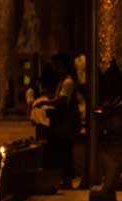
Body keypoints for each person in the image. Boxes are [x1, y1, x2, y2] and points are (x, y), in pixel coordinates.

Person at [45, 53, 79, 189]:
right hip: (61, 123)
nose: (56, 69)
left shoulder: (68, 82)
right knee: (61, 150)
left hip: (65, 124)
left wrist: (46, 103)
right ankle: (63, 179)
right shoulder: (61, 81)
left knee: (64, 151)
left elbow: (62, 100)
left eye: (57, 65)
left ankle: (67, 179)